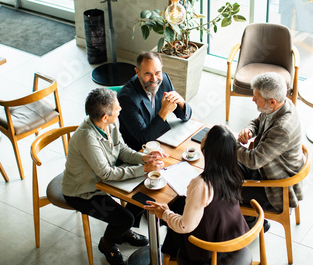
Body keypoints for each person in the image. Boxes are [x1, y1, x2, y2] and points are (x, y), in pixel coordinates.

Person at [62, 88, 165, 265]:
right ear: (104, 117)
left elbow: (122, 150)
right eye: (117, 108)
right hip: (83, 192)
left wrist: (144, 158)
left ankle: (122, 231)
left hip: (101, 182)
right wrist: (144, 169)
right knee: (125, 218)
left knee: (143, 196)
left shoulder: (111, 123)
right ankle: (107, 243)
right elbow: (106, 174)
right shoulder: (87, 138)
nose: (121, 110)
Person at [144, 125, 248, 263]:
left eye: (206, 135)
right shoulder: (233, 172)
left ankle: (168, 256)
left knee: (172, 220)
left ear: (208, 149)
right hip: (233, 236)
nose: (203, 135)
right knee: (180, 204)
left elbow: (184, 226)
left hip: (208, 251)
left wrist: (165, 213)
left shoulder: (201, 184)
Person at [236, 72, 304, 229]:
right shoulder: (280, 106)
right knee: (226, 168)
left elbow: (253, 161)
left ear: (272, 101)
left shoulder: (282, 128)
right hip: (265, 167)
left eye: (256, 98)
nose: (253, 100)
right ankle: (250, 220)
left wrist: (231, 145)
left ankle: (253, 225)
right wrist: (249, 130)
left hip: (274, 187)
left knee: (224, 191)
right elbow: (258, 120)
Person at [118, 51, 192, 150]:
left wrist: (181, 102)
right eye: (148, 74)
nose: (154, 79)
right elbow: (143, 138)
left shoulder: (164, 80)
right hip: (138, 149)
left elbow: (184, 116)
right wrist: (164, 112)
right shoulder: (126, 98)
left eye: (157, 73)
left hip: (159, 136)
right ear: (137, 73)